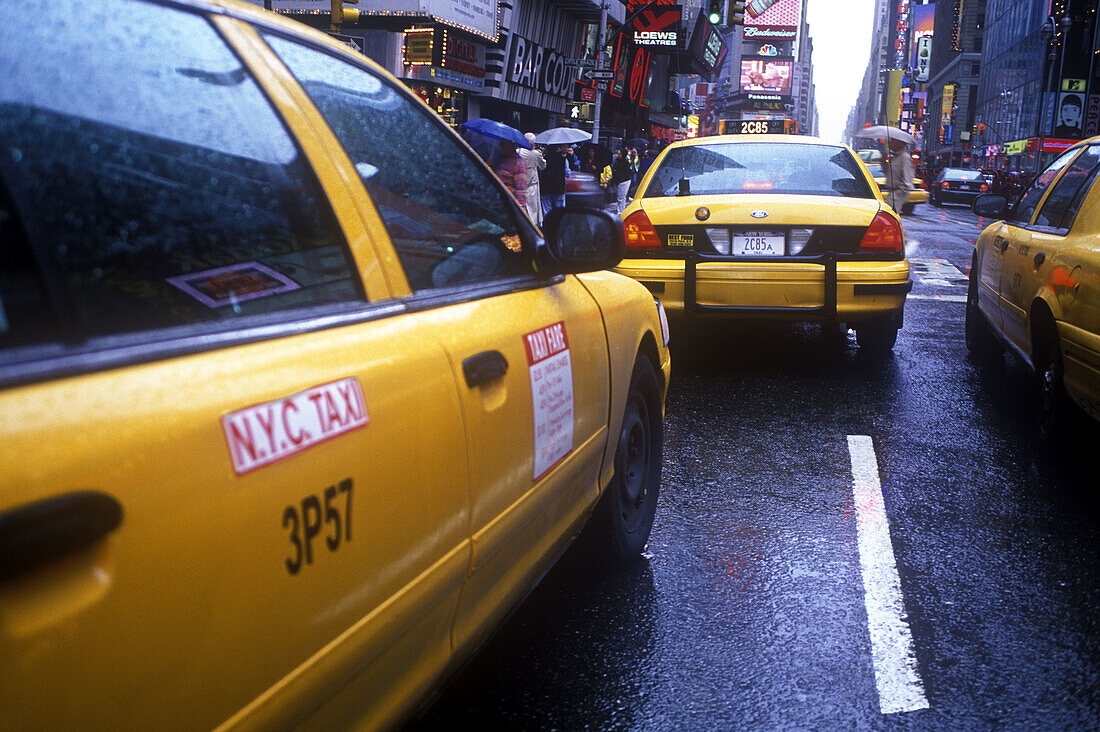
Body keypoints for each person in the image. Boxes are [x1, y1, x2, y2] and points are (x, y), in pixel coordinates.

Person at [518, 132, 546, 225]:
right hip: (532, 185)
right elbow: (543, 166)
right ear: (533, 143)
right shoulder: (536, 154)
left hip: (519, 184)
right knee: (533, 211)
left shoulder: (518, 152)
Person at [491, 138, 526, 209]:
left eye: (503, 143)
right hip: (500, 204)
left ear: (511, 145)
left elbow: (520, 191)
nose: (500, 146)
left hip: (509, 205)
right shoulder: (505, 161)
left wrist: (519, 210)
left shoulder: (518, 164)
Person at [881, 138, 914, 212]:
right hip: (892, 192)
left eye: (892, 141)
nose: (889, 142)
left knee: (890, 218)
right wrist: (883, 162)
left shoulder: (904, 158)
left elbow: (907, 180)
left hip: (897, 194)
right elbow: (888, 174)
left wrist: (897, 195)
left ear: (899, 143)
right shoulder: (895, 157)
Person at [539, 144, 567, 216]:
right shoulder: (563, 159)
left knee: (546, 211)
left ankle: (547, 225)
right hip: (559, 188)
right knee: (560, 211)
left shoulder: (544, 159)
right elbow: (567, 173)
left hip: (546, 187)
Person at [611, 147, 633, 214]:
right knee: (620, 197)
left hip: (624, 181)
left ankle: (620, 211)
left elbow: (625, 173)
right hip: (618, 181)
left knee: (621, 197)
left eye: (619, 154)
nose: (618, 155)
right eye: (617, 154)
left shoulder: (625, 163)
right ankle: (621, 210)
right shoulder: (616, 161)